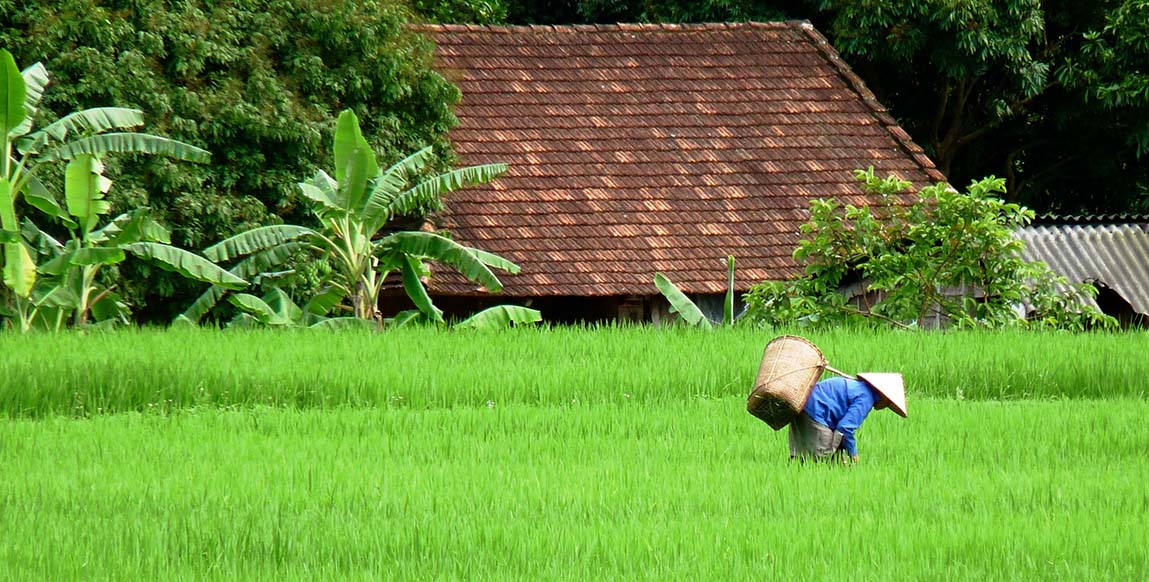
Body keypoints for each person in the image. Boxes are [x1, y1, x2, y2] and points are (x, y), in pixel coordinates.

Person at [788, 372, 907, 463]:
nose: (884, 407)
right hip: (816, 413)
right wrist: (853, 454)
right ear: (884, 397)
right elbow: (845, 428)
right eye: (887, 404)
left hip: (801, 406)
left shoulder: (859, 387)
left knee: (801, 458)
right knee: (823, 460)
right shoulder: (866, 398)